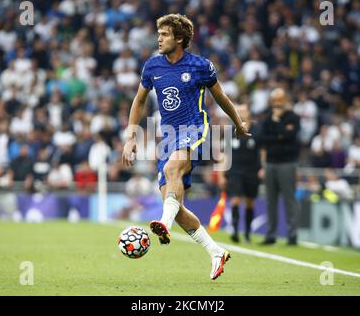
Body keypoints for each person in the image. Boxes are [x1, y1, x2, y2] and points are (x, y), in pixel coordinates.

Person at [122, 14, 250, 280]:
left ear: (179, 39)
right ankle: (216, 252)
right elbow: (138, 101)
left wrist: (238, 124)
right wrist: (130, 137)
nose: (159, 38)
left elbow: (222, 97)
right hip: (167, 137)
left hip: (194, 129)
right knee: (176, 206)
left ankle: (163, 225)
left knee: (172, 170)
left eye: (165, 34)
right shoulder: (152, 67)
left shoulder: (201, 66)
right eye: (158, 33)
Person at [260, 88, 301, 246]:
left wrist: (277, 126)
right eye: (274, 101)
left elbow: (291, 136)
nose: (276, 104)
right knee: (271, 200)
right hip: (270, 163)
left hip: (287, 163)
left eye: (279, 100)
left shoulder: (293, 117)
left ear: (285, 101)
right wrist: (280, 134)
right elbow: (263, 139)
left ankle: (292, 235)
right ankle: (271, 234)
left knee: (289, 199)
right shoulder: (267, 118)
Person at [218, 104, 261, 243]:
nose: (241, 113)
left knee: (249, 202)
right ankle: (235, 231)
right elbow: (224, 154)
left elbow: (262, 151)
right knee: (235, 199)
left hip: (252, 171)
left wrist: (263, 168)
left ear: (249, 113)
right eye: (239, 111)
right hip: (235, 170)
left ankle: (247, 233)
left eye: (243, 111)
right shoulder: (230, 131)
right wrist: (221, 174)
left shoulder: (257, 130)